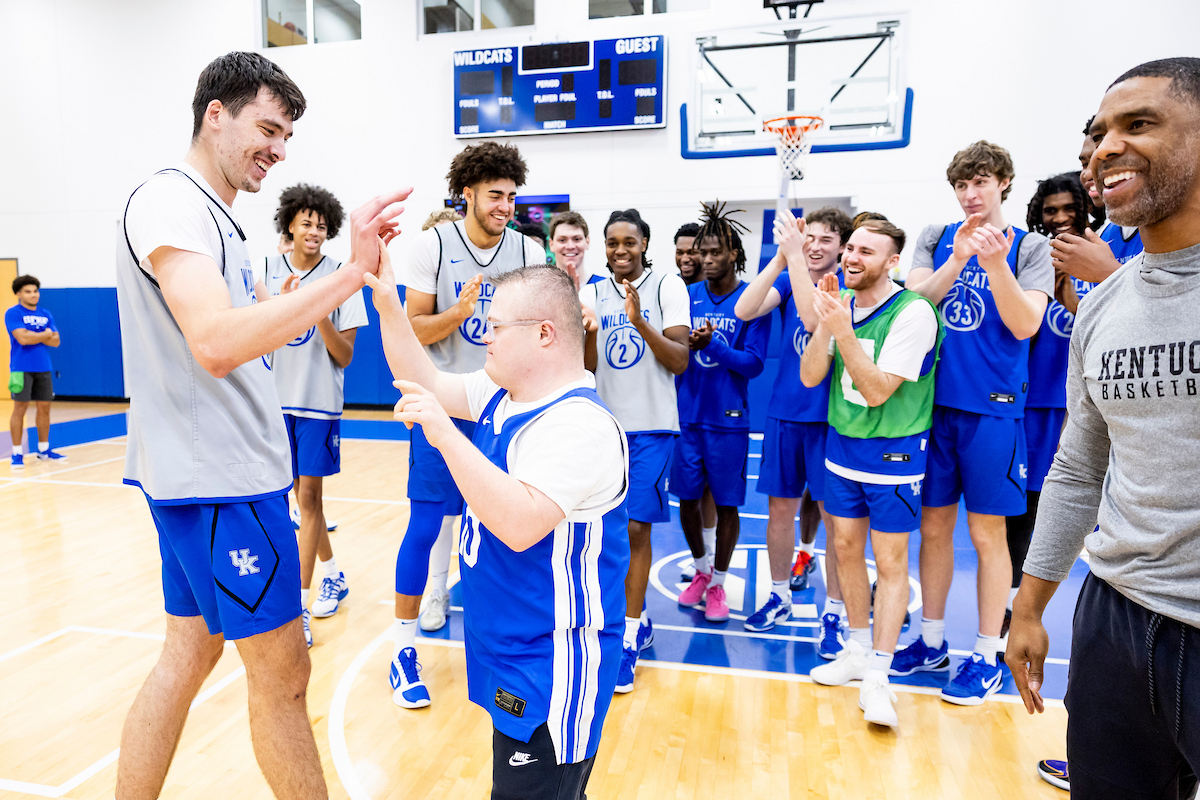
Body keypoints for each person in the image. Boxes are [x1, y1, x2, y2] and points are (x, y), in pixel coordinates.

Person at [114, 50, 407, 799]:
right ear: (215, 115)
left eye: (287, 138)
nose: (278, 150)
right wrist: (350, 274)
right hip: (221, 480)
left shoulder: (220, 220)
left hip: (209, 474)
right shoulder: (171, 201)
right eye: (268, 129)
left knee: (189, 653)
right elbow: (215, 344)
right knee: (283, 677)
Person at [1010, 57, 1200, 800]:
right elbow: (1079, 468)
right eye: (1097, 134)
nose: (1103, 149)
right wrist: (1030, 606)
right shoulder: (1104, 307)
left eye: (1138, 124)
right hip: (1113, 620)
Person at [368, 259, 629, 800]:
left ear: (543, 334)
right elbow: (425, 381)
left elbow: (518, 524)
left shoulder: (579, 424)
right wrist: (390, 305)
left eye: (496, 326)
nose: (484, 335)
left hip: (552, 666)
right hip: (509, 649)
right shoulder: (503, 394)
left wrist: (445, 435)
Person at [899, 140, 1053, 705]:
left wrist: (993, 264)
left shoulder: (1029, 246)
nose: (970, 193)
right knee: (934, 528)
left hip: (993, 410)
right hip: (932, 407)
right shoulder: (936, 236)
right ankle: (931, 640)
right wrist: (958, 259)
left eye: (981, 182)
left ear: (1004, 183)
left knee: (988, 535)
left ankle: (987, 653)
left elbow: (1026, 324)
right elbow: (915, 301)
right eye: (962, 184)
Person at [394, 141, 545, 707]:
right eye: (495, 195)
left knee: (506, 530)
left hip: (502, 409)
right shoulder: (432, 245)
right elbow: (413, 330)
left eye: (511, 196)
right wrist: (457, 314)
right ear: (468, 194)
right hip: (444, 403)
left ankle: (506, 642)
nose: (505, 205)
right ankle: (403, 650)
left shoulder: (528, 249)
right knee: (426, 524)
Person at [1032, 118, 1147, 797]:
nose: (1093, 165)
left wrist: (1110, 278)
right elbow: (1092, 325)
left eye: (1099, 153)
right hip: (1122, 557)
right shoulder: (1108, 238)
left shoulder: (1140, 249)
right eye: (1086, 156)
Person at [800, 221, 941, 729]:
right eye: (851, 248)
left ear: (892, 262)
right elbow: (810, 376)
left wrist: (842, 330)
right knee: (843, 549)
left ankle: (880, 673)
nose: (852, 258)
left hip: (894, 453)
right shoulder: (842, 304)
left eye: (867, 251)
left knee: (890, 561)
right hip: (842, 447)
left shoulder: (913, 312)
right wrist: (826, 323)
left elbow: (879, 390)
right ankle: (858, 650)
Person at [579, 208, 690, 693]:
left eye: (629, 242)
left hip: (652, 428)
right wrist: (588, 332)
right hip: (605, 428)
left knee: (636, 527)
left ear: (644, 242)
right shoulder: (590, 292)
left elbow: (680, 361)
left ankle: (626, 640)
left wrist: (640, 321)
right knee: (604, 532)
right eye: (612, 243)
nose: (620, 250)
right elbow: (585, 367)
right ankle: (630, 617)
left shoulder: (668, 286)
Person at [733, 207, 852, 657]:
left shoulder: (847, 285)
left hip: (831, 418)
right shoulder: (788, 275)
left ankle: (834, 612)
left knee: (836, 520)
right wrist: (782, 258)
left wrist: (796, 258)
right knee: (779, 511)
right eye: (810, 238)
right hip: (785, 413)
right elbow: (744, 309)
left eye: (826, 239)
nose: (815, 246)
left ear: (842, 246)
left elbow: (811, 319)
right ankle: (779, 594)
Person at [262, 183, 366, 647]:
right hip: (271, 404)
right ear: (290, 224)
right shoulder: (265, 272)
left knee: (308, 499)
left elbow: (345, 356)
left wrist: (319, 309)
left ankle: (299, 609)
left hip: (317, 405)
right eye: (306, 223)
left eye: (322, 225)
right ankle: (332, 572)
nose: (314, 231)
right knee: (294, 502)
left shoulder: (340, 277)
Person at [673, 202, 771, 624]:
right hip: (685, 416)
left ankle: (719, 583)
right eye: (703, 252)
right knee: (687, 500)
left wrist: (711, 344)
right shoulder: (685, 295)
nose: (707, 259)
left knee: (728, 505)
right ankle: (700, 569)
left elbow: (754, 364)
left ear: (734, 254)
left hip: (728, 419)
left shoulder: (753, 299)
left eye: (715, 252)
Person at [1005, 173, 1092, 642]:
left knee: (1061, 508)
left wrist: (1074, 299)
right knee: (1022, 507)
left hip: (1076, 405)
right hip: (1029, 401)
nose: (1059, 218)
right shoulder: (1034, 257)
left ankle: (1037, 610)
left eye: (1068, 208)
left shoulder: (1101, 256)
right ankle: (1011, 604)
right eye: (1050, 210)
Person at [672, 221, 719, 579]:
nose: (686, 258)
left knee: (712, 490)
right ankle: (701, 557)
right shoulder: (671, 290)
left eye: (693, 251)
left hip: (716, 406)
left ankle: (712, 552)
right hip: (680, 403)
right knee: (689, 491)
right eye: (680, 251)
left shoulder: (719, 293)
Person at [7, 275, 64, 468]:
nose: (33, 295)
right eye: (28, 291)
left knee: (44, 407)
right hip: (21, 368)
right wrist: (45, 333)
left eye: (35, 291)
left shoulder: (46, 313)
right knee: (20, 409)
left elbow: (56, 341)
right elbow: (22, 339)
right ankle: (17, 453)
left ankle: (43, 449)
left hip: (44, 367)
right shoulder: (13, 313)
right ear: (19, 294)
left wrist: (35, 335)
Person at [548, 210, 601, 289]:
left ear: (587, 242)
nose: (570, 246)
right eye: (562, 240)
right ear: (551, 244)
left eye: (576, 239)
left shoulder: (603, 287)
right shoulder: (541, 288)